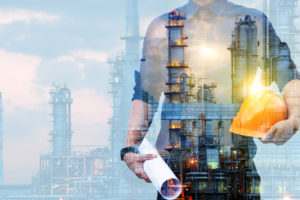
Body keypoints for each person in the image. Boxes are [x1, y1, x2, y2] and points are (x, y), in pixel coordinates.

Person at [121, 0, 300, 199]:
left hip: (236, 169)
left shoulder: (253, 22)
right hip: (175, 177)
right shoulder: (160, 27)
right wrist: (130, 149)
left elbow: (289, 76)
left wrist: (294, 120)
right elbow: (146, 93)